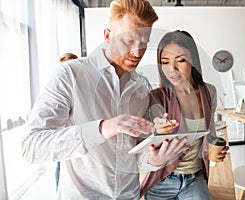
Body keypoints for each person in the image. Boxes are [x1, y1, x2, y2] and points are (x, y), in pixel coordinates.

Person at [21, 1, 189, 199]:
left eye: (143, 43)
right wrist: (102, 128)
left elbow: (137, 153)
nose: (137, 53)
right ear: (107, 35)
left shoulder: (141, 88)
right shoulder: (70, 75)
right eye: (127, 41)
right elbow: (31, 147)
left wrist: (156, 158)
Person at [141, 30, 229, 200]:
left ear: (193, 60)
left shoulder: (209, 92)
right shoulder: (157, 96)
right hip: (162, 180)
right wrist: (156, 129)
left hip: (194, 178)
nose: (172, 69)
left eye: (180, 60)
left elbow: (210, 134)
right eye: (165, 62)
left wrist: (213, 151)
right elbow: (148, 141)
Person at [54, 52, 79, 192]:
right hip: (62, 142)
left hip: (76, 142)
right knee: (61, 172)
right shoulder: (58, 91)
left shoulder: (83, 90)